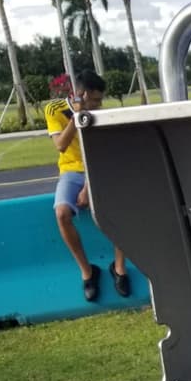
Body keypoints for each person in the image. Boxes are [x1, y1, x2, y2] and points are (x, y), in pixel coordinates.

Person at [45, 71, 130, 302]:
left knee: (119, 207)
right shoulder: (54, 109)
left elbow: (103, 151)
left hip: (97, 167)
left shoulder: (102, 113)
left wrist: (87, 188)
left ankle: (119, 267)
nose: (98, 105)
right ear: (79, 95)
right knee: (62, 213)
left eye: (100, 100)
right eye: (94, 100)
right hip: (71, 170)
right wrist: (77, 117)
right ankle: (87, 272)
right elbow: (61, 145)